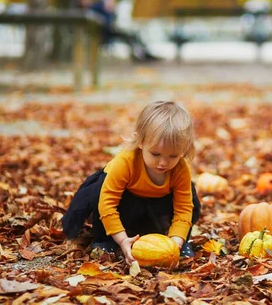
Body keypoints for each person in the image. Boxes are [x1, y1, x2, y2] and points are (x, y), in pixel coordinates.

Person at [61, 101, 201, 265]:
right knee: (99, 192)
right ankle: (105, 241)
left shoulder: (180, 169)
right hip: (124, 200)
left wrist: (175, 242)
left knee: (192, 200)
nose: (163, 162)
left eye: (173, 156)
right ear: (140, 141)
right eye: (155, 154)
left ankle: (182, 242)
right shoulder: (126, 161)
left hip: (157, 202)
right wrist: (121, 240)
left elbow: (183, 209)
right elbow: (107, 203)